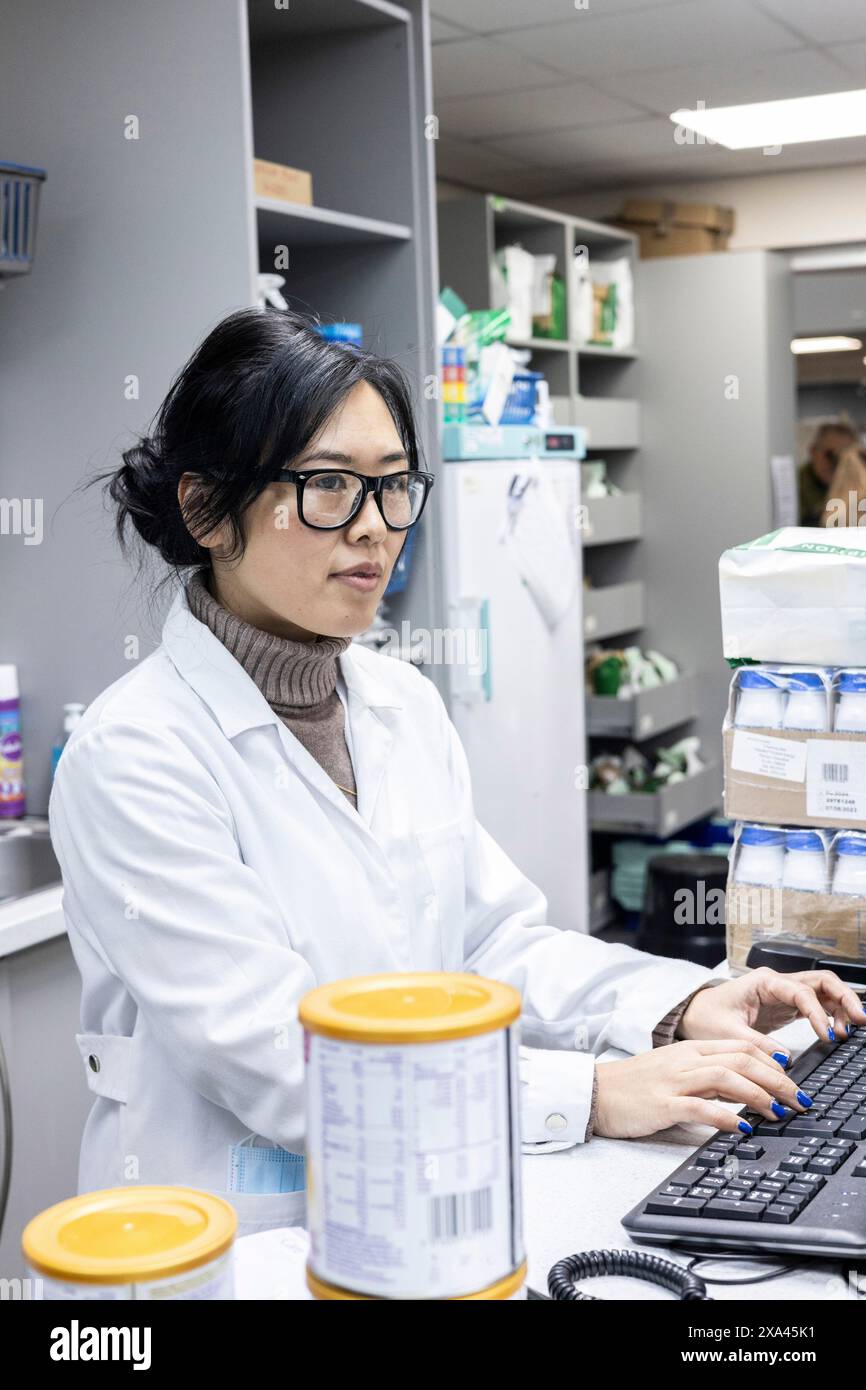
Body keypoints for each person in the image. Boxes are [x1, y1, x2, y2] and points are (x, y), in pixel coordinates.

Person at [49, 309, 866, 1236]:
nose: (375, 529)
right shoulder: (137, 754)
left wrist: (678, 1005)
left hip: (432, 1203)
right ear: (205, 509)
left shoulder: (399, 702)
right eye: (328, 486)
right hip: (246, 1232)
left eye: (395, 488)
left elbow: (487, 947)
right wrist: (590, 1093)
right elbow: (278, 1059)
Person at [798, 421, 859, 526]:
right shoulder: (796, 484)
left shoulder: (859, 485)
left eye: (845, 458)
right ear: (813, 451)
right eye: (830, 455)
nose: (836, 464)